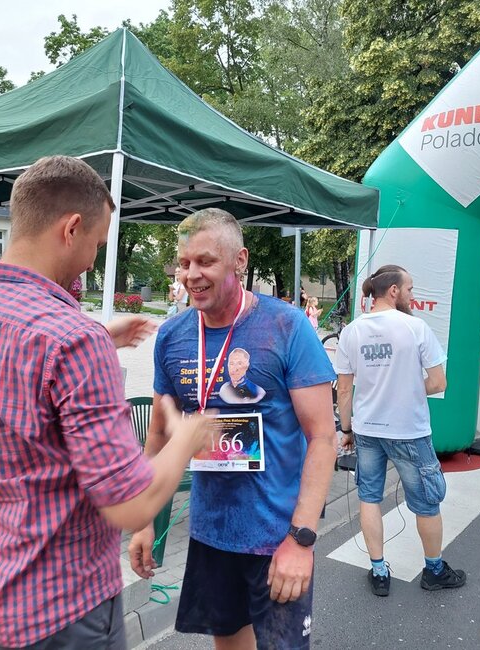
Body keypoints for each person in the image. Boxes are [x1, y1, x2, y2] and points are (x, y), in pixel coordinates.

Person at [0, 156, 214, 650]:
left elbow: (10, 394)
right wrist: (187, 438)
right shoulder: (73, 340)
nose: (91, 261)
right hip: (58, 609)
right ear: (71, 228)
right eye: (96, 244)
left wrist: (100, 339)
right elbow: (130, 505)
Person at [128, 208, 337, 650]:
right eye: (184, 263)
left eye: (205, 261)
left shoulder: (286, 326)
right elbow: (159, 434)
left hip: (277, 536)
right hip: (211, 532)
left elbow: (322, 436)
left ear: (239, 261)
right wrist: (144, 520)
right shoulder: (173, 335)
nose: (191, 275)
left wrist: (301, 539)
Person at [334, 265, 466, 597]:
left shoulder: (351, 331)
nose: (412, 295)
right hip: (408, 431)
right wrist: (406, 391)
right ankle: (434, 570)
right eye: (410, 289)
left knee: (369, 497)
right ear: (393, 291)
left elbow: (344, 390)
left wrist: (346, 428)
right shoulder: (415, 327)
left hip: (367, 429)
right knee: (426, 502)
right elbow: (439, 382)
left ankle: (379, 572)